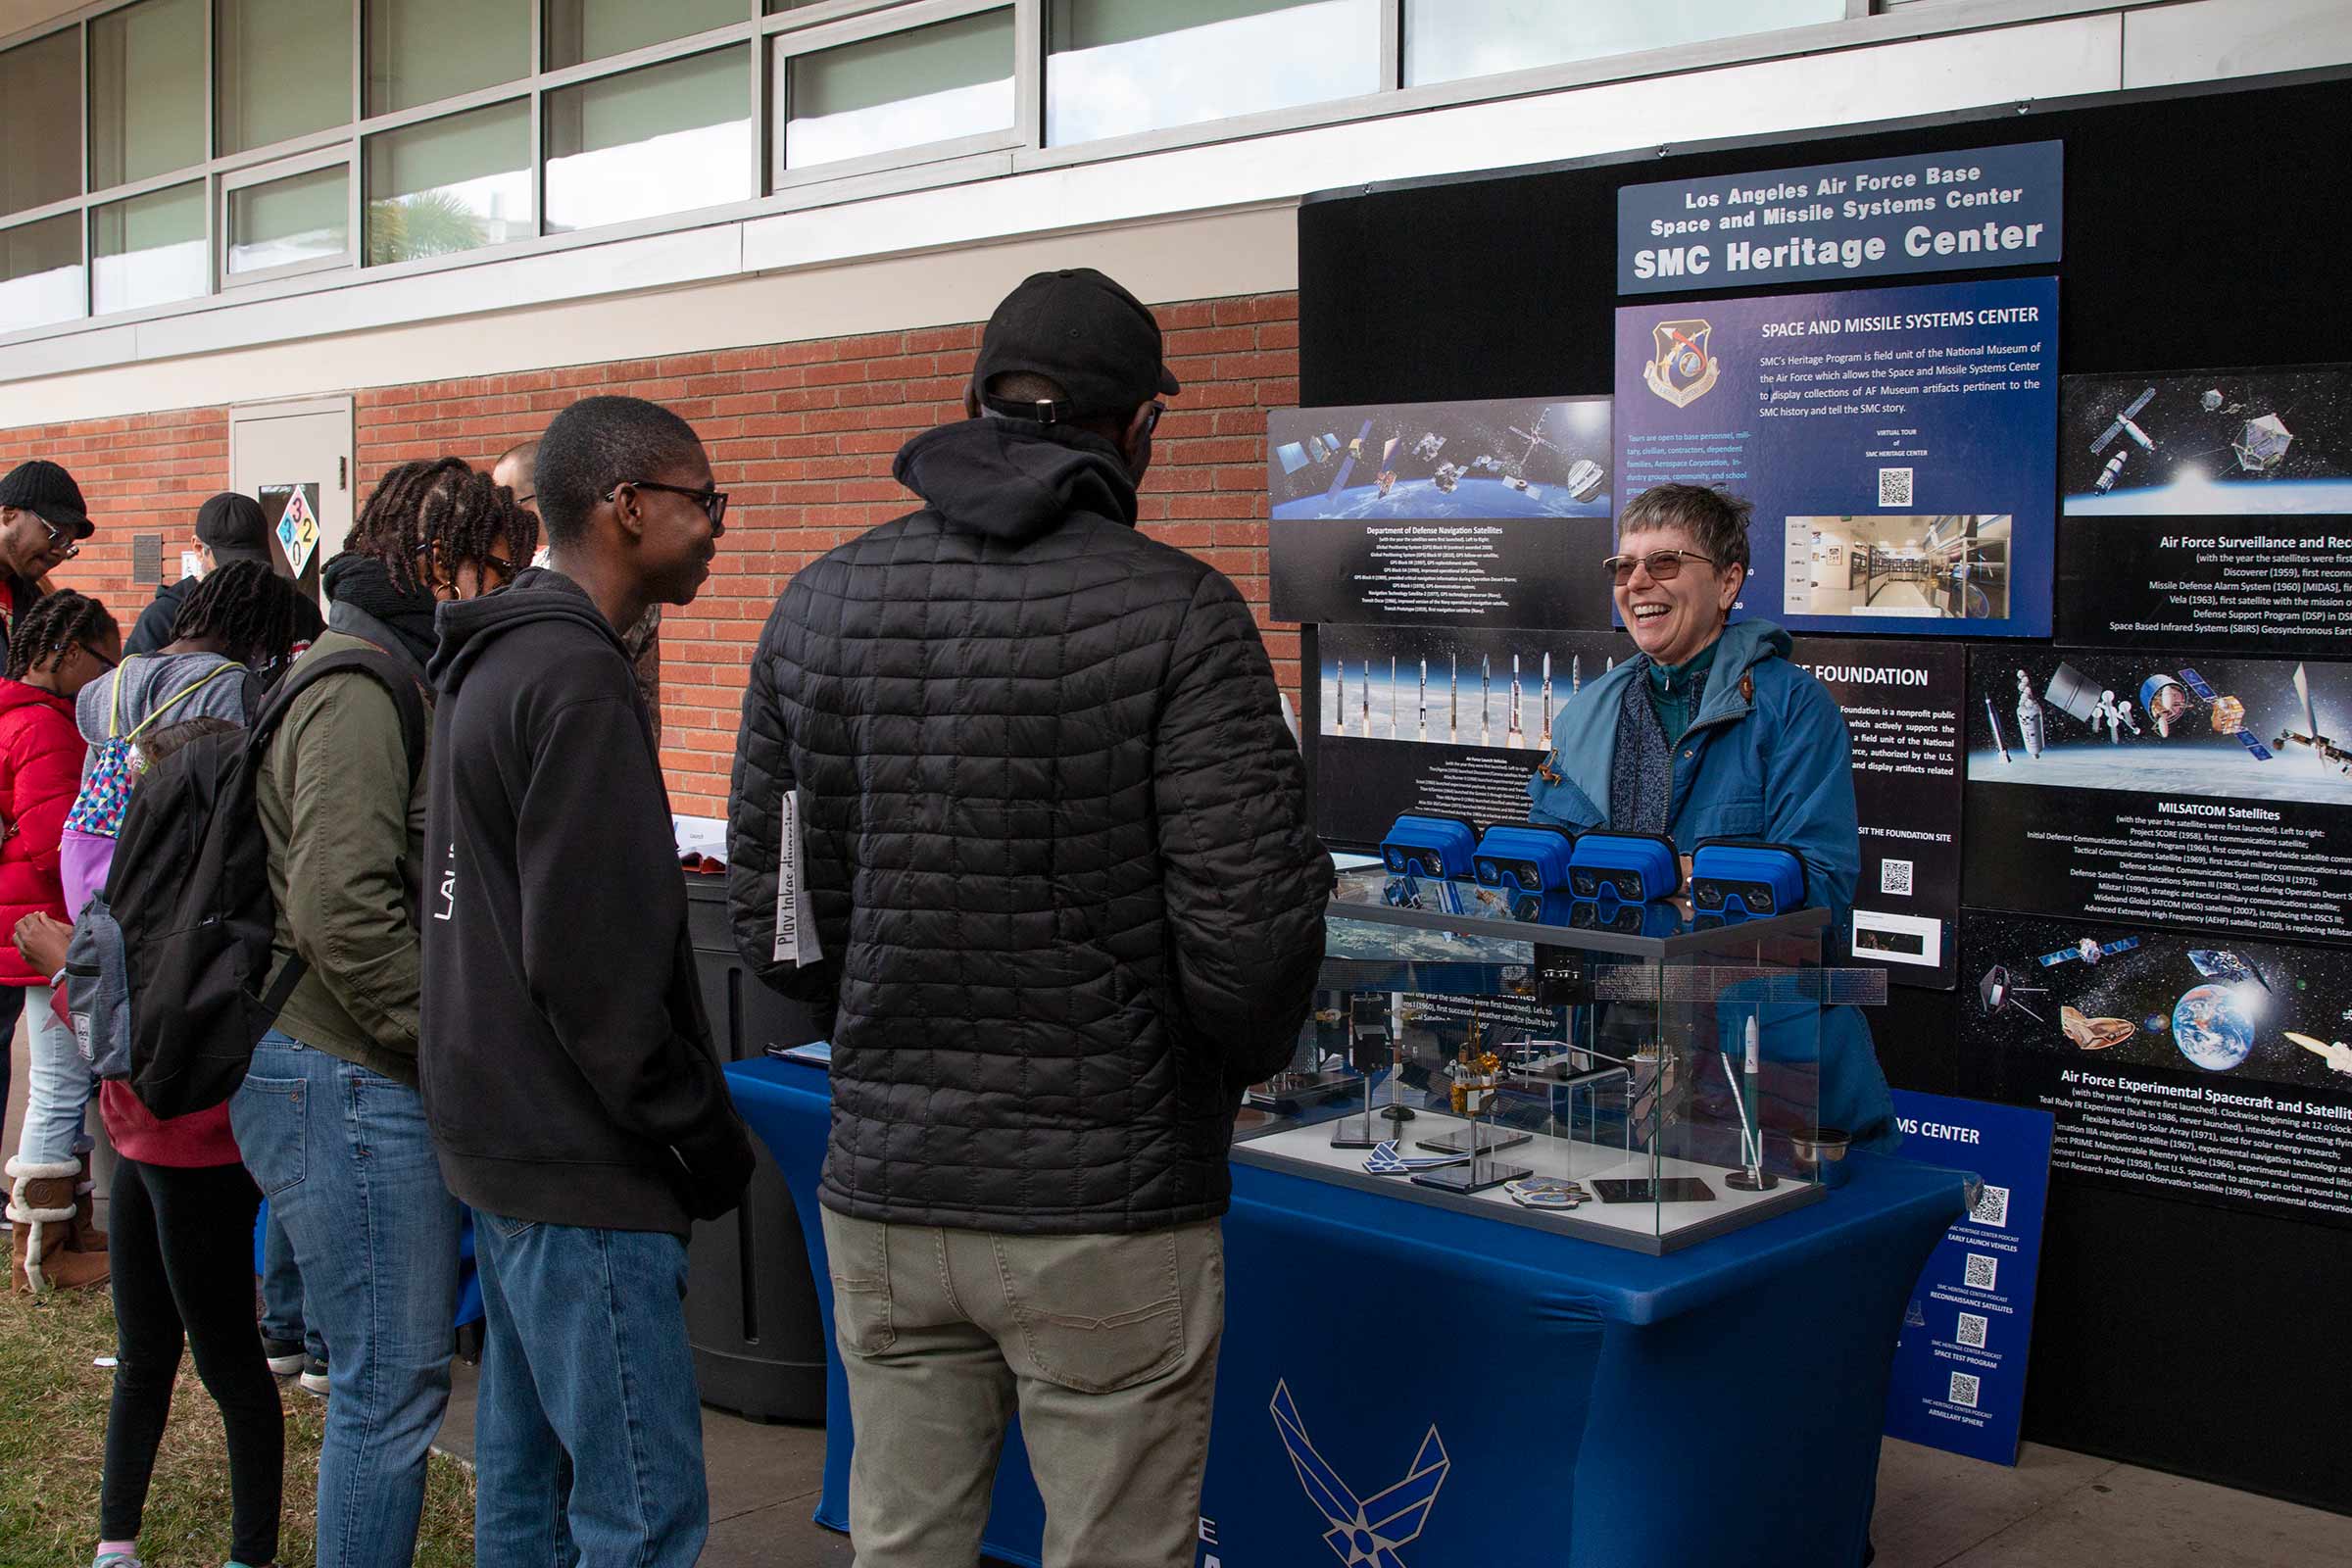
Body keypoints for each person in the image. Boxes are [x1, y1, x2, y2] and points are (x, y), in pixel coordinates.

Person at [726, 267, 1333, 1568]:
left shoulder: (816, 605)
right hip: (1111, 1203)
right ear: (1137, 428)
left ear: (977, 399)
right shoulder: (1182, 613)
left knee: (902, 1545)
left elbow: (776, 925)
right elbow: (1256, 941)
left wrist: (883, 1016)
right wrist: (1211, 1077)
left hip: (891, 1183)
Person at [422, 396, 754, 1568]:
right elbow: (590, 966)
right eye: (703, 501)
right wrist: (700, 1130)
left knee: (529, 1492)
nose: (717, 527)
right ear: (627, 507)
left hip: (506, 1138)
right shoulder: (572, 677)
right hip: (580, 1166)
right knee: (639, 1517)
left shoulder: (497, 657)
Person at [230, 458, 532, 1568]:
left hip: (356, 1065)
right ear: (435, 561)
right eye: (491, 567)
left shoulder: (395, 666)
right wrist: (446, 1040)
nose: (501, 590)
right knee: (390, 1386)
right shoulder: (360, 685)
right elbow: (338, 908)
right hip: (340, 1071)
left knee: (389, 1381)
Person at [1525, 482, 1896, 1149]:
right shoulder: (1586, 716)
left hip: (1763, 1073)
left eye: (1665, 562)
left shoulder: (1793, 709)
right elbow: (1548, 887)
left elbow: (1821, 890)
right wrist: (1690, 878)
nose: (1638, 582)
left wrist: (1658, 876)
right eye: (1624, 566)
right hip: (1614, 1055)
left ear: (1727, 583)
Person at [18, 714, 284, 1568]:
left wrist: (63, 969)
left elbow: (137, 1042)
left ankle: (249, 1554)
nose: (128, 802)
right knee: (142, 1354)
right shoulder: (156, 883)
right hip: (135, 1146)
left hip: (195, 1159)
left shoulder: (218, 911)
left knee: (228, 1362)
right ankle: (115, 1543)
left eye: (144, 788)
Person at [1, 591, 122, 1293]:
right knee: (60, 1082)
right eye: (105, 664)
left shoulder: (19, 715)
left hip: (31, 921)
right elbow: (57, 843)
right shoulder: (45, 727)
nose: (108, 681)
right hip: (46, 927)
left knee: (63, 1078)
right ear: (69, 653)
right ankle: (40, 1252)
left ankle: (65, 1225)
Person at [497, 438, 664, 738]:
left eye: (505, 505)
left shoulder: (534, 576)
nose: (498, 518)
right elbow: (646, 690)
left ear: (538, 499)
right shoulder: (625, 567)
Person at [123, 492, 324, 660]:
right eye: (230, 566)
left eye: (255, 562)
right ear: (199, 549)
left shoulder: (297, 608)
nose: (245, 574)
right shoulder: (163, 618)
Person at [0, 459, 95, 669]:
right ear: (9, 515)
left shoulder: (35, 600)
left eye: (68, 544)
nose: (59, 552)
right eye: (55, 534)